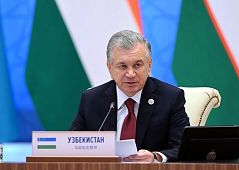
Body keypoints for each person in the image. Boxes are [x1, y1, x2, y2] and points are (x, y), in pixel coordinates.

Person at [70, 30, 189, 162]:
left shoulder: (171, 98)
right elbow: (72, 145)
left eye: (137, 65)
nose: (131, 73)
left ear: (149, 65)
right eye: (122, 66)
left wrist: (156, 157)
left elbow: (183, 148)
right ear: (109, 68)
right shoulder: (92, 99)